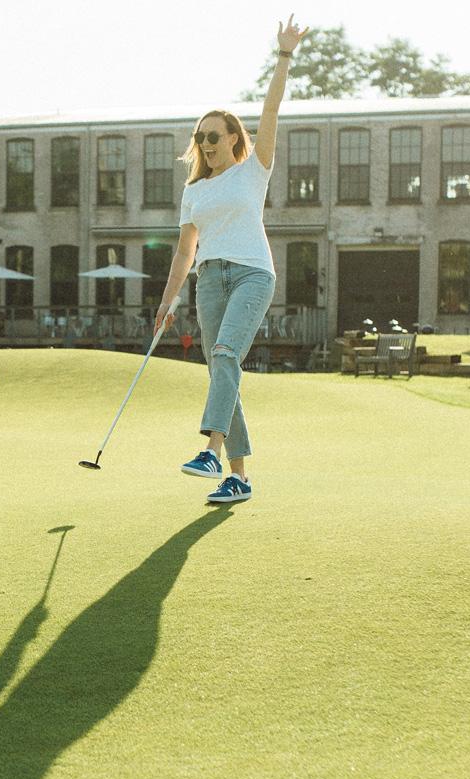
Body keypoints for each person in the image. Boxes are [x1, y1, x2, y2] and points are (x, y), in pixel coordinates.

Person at [155, 15, 309, 504]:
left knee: (224, 357)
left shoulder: (254, 170)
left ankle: (211, 450)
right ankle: (238, 478)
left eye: (214, 136)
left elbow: (271, 108)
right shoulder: (194, 190)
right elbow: (185, 250)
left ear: (233, 139)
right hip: (209, 281)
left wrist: (283, 55)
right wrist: (167, 302)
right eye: (200, 137)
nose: (205, 143)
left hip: (252, 275)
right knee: (223, 369)